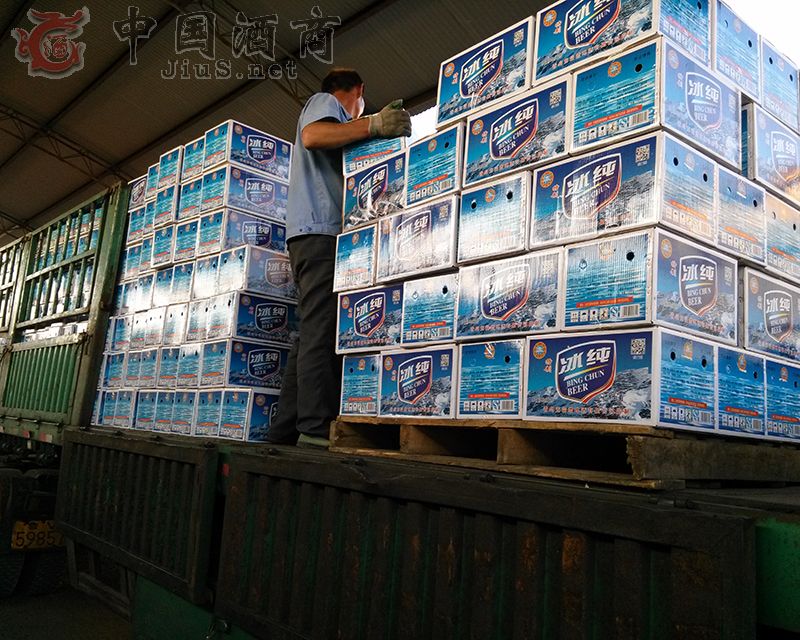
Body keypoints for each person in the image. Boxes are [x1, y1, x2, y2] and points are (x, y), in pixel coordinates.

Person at [269, 68, 412, 447]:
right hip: (320, 234)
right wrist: (373, 125)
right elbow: (313, 136)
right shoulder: (325, 103)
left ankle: (284, 431)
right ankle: (315, 429)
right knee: (323, 332)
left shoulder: (343, 127)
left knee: (311, 333)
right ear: (359, 90)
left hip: (314, 235)